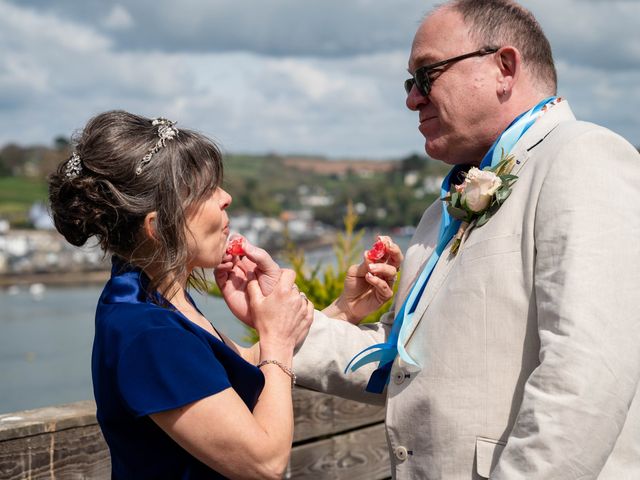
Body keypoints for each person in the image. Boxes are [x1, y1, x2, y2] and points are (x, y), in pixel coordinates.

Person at [287, 1, 640, 479]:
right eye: (411, 83)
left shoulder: (582, 157)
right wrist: (280, 318)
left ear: (504, 67)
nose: (413, 99)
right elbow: (404, 362)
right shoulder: (441, 211)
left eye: (427, 74)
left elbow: (587, 375)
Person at [48, 110, 320, 479]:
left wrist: (345, 308)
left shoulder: (154, 297)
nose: (226, 197)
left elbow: (244, 365)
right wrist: (277, 340)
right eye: (207, 190)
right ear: (157, 226)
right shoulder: (149, 334)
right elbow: (265, 462)